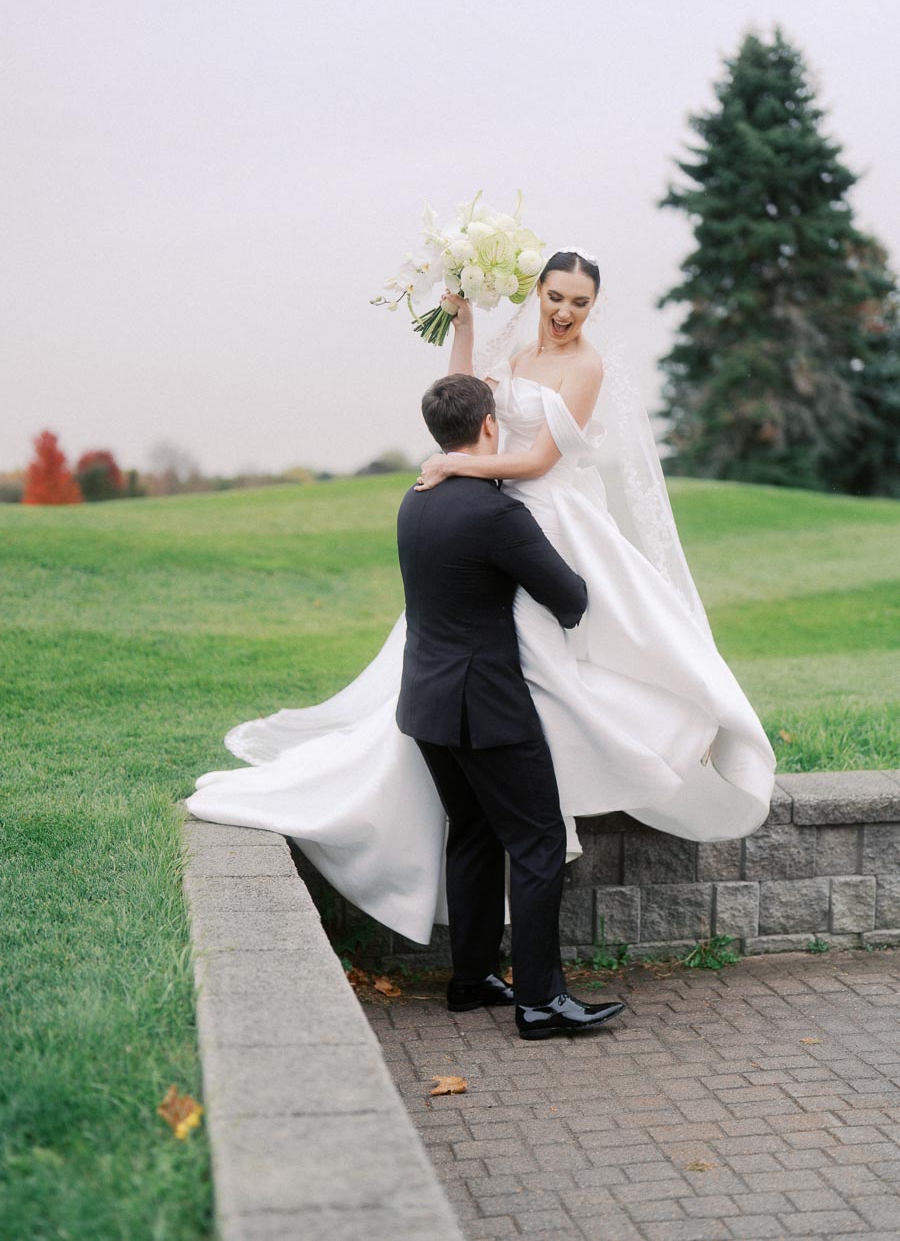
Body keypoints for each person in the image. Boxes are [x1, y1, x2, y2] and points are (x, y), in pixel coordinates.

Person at [186, 249, 774, 958]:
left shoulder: (587, 368)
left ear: (593, 306)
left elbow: (535, 463)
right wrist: (462, 320)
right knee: (492, 647)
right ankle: (508, 775)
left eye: (579, 303)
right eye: (556, 297)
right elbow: (464, 393)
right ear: (538, 293)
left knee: (564, 645)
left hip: (545, 515)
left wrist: (462, 464)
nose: (564, 312)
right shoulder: (519, 350)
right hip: (494, 518)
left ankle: (575, 758)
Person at [396, 370, 624, 1036]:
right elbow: (572, 600)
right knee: (538, 839)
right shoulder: (496, 513)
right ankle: (541, 1001)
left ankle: (471, 980)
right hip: (486, 708)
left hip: (426, 704)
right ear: (490, 428)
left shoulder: (417, 499)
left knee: (472, 832)